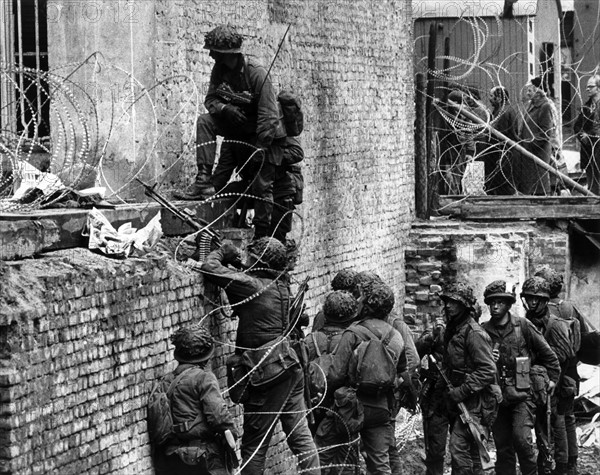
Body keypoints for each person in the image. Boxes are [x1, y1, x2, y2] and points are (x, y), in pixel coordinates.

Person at [199, 237, 320, 474]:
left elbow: (210, 268)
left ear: (260, 262)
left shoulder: (254, 286)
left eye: (250, 258)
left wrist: (223, 252)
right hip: (289, 367)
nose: (247, 261)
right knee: (300, 436)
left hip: (268, 375)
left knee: (254, 446)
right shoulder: (280, 283)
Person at [175, 25, 282, 239]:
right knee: (205, 122)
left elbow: (269, 116)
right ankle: (203, 179)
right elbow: (211, 100)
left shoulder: (256, 73)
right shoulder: (220, 70)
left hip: (260, 137)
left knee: (261, 187)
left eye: (214, 51)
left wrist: (259, 149)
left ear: (226, 54)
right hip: (236, 129)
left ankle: (262, 238)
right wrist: (226, 109)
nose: (210, 55)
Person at [481, 280, 561, 475]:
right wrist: (487, 358)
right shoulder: (482, 330)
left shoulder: (522, 326)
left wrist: (552, 379)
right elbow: (474, 364)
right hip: (496, 397)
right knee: (502, 447)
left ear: (509, 305)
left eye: (500, 302)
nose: (495, 306)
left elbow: (549, 355)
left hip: (522, 395)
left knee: (522, 441)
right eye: (492, 302)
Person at [327, 282, 405, 474]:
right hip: (381, 406)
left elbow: (336, 374)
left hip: (350, 407)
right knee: (380, 463)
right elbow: (402, 372)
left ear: (365, 305)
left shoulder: (353, 333)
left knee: (337, 455)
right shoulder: (396, 336)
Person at [154, 323, 238, 475]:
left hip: (172, 457)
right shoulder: (204, 378)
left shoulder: (165, 381)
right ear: (205, 356)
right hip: (204, 457)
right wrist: (232, 433)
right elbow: (219, 417)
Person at [437, 282, 497, 475]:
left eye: (453, 302)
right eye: (447, 301)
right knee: (471, 451)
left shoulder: (474, 333)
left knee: (459, 447)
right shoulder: (454, 329)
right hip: (459, 398)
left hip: (476, 401)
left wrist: (461, 391)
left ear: (464, 305)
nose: (448, 305)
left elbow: (488, 370)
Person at [520, 277, 577, 475]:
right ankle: (544, 460)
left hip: (556, 382)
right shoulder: (525, 322)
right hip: (533, 383)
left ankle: (561, 465)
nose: (532, 302)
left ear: (545, 301)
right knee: (539, 426)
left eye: (537, 299)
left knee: (556, 424)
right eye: (529, 298)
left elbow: (564, 356)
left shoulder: (555, 325)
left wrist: (545, 369)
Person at [534, 265, 586, 475]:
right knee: (568, 416)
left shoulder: (547, 312)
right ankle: (571, 462)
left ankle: (559, 464)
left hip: (554, 372)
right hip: (571, 370)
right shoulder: (569, 307)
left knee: (555, 419)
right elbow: (585, 335)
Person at [306, 290, 359, 474]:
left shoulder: (309, 340)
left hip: (314, 409)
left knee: (316, 459)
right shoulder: (352, 340)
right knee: (345, 459)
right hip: (342, 410)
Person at [415, 315, 448, 475]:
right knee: (435, 447)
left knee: (464, 446)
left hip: (461, 393)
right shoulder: (435, 330)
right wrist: (432, 336)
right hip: (436, 395)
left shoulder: (471, 330)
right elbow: (416, 350)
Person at [518, 76, 557, 195]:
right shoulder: (531, 105)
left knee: (538, 187)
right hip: (529, 153)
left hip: (537, 153)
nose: (527, 93)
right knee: (529, 187)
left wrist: (529, 144)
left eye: (530, 90)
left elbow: (546, 133)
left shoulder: (545, 106)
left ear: (538, 92)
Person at [484, 86, 520, 195]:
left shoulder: (502, 112)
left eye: (491, 96)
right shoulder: (504, 109)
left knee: (504, 186)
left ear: (499, 98)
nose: (489, 98)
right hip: (505, 153)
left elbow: (499, 135)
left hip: (504, 153)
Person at [574, 75, 600, 194]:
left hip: (598, 147)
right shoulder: (586, 107)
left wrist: (589, 136)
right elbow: (577, 127)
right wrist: (582, 137)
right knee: (592, 184)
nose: (587, 89)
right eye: (587, 87)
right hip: (588, 150)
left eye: (591, 86)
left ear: (598, 88)